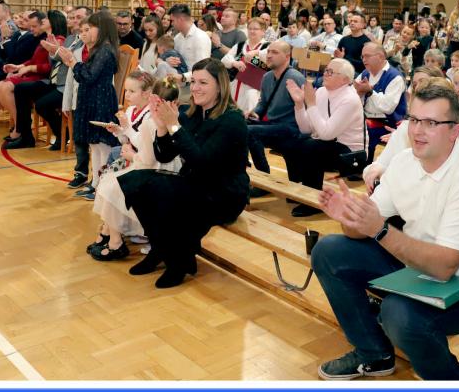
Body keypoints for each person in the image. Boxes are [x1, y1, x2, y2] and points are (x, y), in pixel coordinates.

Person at [312, 82, 459, 381]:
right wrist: (352, 218)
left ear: (455, 132)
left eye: (431, 123)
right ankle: (373, 354)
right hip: (420, 268)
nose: (418, 130)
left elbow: (445, 267)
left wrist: (378, 229)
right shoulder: (405, 161)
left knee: (400, 313)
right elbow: (363, 229)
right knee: (330, 251)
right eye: (414, 119)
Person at [119, 59, 249, 288]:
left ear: (220, 86)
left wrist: (174, 126)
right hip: (198, 184)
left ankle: (178, 260)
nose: (195, 87)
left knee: (158, 190)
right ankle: (162, 249)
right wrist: (162, 127)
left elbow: (202, 162)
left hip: (224, 193)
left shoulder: (232, 120)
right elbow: (165, 156)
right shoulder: (193, 114)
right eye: (193, 81)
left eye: (203, 83)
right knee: (135, 182)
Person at [88, 73, 182, 261]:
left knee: (111, 186)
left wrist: (129, 142)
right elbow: (133, 142)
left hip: (152, 167)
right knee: (108, 181)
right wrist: (120, 132)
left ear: (149, 96)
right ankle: (109, 232)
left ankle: (115, 239)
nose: (127, 95)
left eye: (132, 91)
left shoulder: (151, 119)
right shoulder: (137, 113)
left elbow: (148, 156)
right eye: (127, 91)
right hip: (147, 162)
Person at [282, 58, 366, 216]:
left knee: (312, 147)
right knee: (290, 142)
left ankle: (313, 201)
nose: (325, 74)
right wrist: (299, 104)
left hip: (350, 154)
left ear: (345, 79)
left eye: (331, 72)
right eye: (326, 70)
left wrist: (311, 104)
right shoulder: (321, 92)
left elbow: (327, 135)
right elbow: (306, 128)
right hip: (327, 143)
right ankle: (299, 189)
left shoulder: (350, 99)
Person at [56, 11, 120, 196]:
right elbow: (86, 75)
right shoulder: (98, 49)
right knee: (94, 144)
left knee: (102, 145)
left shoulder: (105, 50)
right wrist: (72, 62)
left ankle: (102, 186)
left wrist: (73, 62)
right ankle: (96, 182)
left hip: (101, 100)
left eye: (91, 27)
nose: (86, 31)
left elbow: (89, 76)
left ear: (102, 29)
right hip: (92, 98)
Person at [0, 10, 68, 148]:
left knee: (25, 92)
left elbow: (50, 67)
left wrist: (30, 68)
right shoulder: (47, 38)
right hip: (48, 80)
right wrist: (20, 66)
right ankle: (25, 135)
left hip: (50, 80)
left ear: (53, 22)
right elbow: (34, 59)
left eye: (46, 19)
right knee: (22, 90)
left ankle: (28, 136)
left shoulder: (59, 40)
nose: (43, 20)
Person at [244, 41, 306, 175]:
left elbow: (307, 109)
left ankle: (263, 174)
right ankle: (241, 167)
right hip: (273, 125)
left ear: (287, 57)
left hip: (291, 127)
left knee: (250, 131)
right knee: (239, 124)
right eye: (268, 52)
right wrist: (253, 113)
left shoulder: (295, 77)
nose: (269, 55)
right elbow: (263, 104)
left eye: (275, 52)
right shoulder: (267, 76)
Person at [354, 43, 407, 164]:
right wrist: (359, 93)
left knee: (365, 132)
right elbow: (353, 97)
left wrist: (370, 92)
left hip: (387, 123)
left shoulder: (395, 77)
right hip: (366, 118)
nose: (364, 59)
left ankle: (364, 165)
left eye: (367, 56)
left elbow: (388, 108)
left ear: (381, 57)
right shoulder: (364, 73)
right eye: (362, 56)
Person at [168, 4, 212, 89]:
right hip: (180, 84)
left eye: (172, 21)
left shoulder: (201, 37)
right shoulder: (177, 38)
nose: (172, 24)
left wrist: (183, 77)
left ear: (180, 19)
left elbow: (203, 68)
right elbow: (176, 60)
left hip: (196, 86)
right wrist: (170, 61)